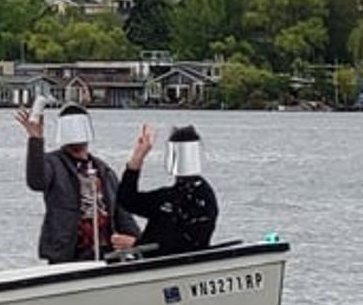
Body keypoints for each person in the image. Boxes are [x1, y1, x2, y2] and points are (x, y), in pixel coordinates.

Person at [15, 102, 139, 264]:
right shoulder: (53, 164)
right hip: (67, 255)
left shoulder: (104, 171)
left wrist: (139, 243)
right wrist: (35, 139)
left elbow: (122, 213)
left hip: (106, 254)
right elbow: (36, 182)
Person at [117, 123, 218, 255]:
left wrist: (136, 244)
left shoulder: (202, 197)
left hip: (181, 265)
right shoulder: (167, 197)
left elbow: (186, 243)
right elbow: (127, 200)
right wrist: (139, 156)